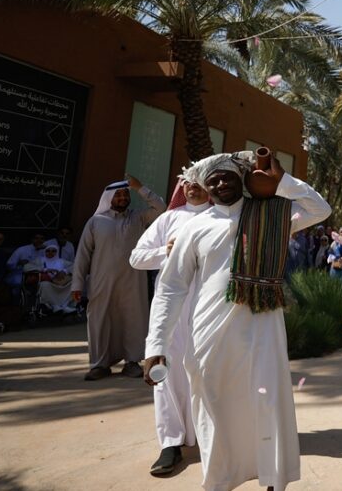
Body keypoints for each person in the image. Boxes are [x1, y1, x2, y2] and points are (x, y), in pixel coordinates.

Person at [144, 151, 330, 491]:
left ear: (240, 180)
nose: (220, 183)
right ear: (204, 186)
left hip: (262, 327)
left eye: (228, 176)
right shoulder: (193, 228)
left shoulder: (272, 213)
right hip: (209, 333)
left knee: (266, 401)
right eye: (212, 179)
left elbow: (321, 209)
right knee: (214, 407)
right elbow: (170, 289)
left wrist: (282, 182)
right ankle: (219, 481)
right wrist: (156, 346)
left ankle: (273, 479)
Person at [129, 168, 212, 477]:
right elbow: (136, 257)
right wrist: (165, 253)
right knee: (166, 371)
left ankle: (207, 433)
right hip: (171, 307)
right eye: (189, 183)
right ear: (182, 186)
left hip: (209, 306)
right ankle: (171, 443)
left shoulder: (222, 217)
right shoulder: (167, 219)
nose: (194, 188)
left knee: (206, 370)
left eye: (202, 183)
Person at [71, 176, 166, 380]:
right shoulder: (96, 221)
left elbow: (161, 208)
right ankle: (99, 364)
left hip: (133, 280)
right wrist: (77, 284)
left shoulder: (139, 217)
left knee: (133, 319)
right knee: (100, 320)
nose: (122, 198)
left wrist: (140, 188)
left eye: (125, 194)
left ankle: (132, 362)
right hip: (101, 281)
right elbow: (83, 254)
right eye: (118, 195)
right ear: (109, 199)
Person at [35, 243, 75, 314]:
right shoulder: (40, 260)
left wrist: (64, 271)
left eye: (53, 251)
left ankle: (64, 305)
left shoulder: (61, 261)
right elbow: (26, 267)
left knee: (74, 283)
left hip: (61, 282)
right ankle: (53, 305)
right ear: (45, 252)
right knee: (44, 285)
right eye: (48, 251)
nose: (50, 252)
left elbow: (75, 265)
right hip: (49, 283)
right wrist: (45, 269)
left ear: (56, 252)